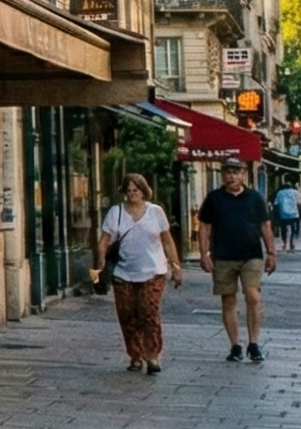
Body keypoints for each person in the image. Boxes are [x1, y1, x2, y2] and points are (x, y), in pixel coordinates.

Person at [96, 172, 182, 375]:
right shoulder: (116, 213)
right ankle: (135, 356)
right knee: (127, 314)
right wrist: (100, 265)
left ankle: (152, 355)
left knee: (148, 312)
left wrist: (176, 266)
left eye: (136, 190)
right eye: (128, 190)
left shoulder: (156, 212)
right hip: (123, 272)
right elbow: (104, 241)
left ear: (144, 191)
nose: (132, 193)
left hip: (153, 271)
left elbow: (167, 241)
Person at [193, 159, 278, 363]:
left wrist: (272, 253)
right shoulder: (215, 198)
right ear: (223, 175)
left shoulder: (254, 198)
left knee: (253, 296)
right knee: (228, 299)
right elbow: (204, 226)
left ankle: (254, 343)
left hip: (251, 254)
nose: (231, 176)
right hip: (223, 255)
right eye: (228, 172)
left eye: (236, 172)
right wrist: (203, 253)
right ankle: (235, 345)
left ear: (243, 175)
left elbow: (265, 225)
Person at [272, 180, 301, 252]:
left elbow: (276, 203)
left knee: (283, 229)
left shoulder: (280, 193)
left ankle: (284, 243)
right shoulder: (295, 192)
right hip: (294, 214)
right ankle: (291, 242)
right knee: (293, 228)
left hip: (283, 214)